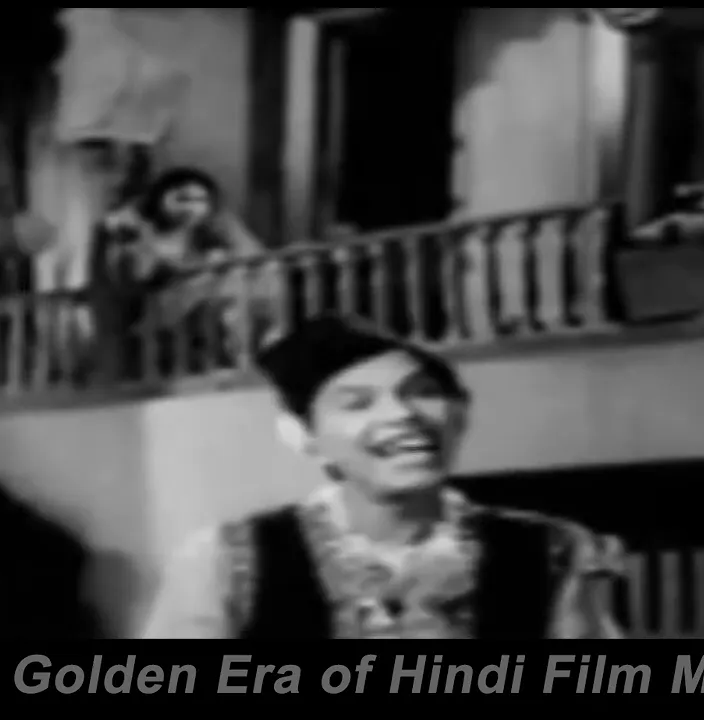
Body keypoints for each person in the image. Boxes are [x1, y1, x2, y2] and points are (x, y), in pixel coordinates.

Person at [142, 313, 622, 639]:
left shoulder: (551, 550)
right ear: (304, 435)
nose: (403, 416)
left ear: (459, 415)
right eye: (357, 403)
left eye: (423, 393)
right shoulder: (228, 560)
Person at [97, 167, 279, 375]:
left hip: (211, 310)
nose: (191, 207)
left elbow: (255, 258)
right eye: (182, 198)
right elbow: (140, 271)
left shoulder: (217, 228)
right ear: (161, 196)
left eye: (200, 200)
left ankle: (242, 355)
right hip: (160, 315)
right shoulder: (139, 228)